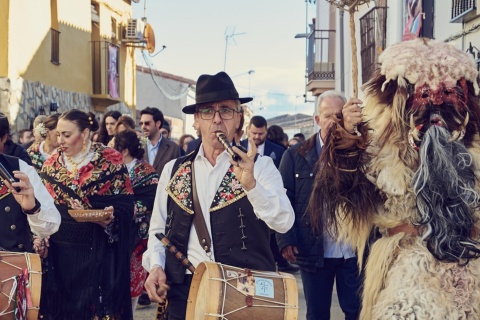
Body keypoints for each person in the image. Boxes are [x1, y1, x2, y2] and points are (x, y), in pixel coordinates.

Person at [308, 38, 480, 319]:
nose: (434, 103)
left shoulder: (471, 146)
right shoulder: (381, 150)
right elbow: (346, 198)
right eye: (423, 94)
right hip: (408, 264)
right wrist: (348, 141)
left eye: (447, 93)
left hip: (469, 264)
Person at [142, 71, 295, 320]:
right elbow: (158, 231)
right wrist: (156, 266)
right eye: (207, 112)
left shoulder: (262, 166)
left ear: (238, 119)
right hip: (186, 290)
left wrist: (252, 186)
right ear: (196, 121)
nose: (216, 120)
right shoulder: (174, 170)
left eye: (225, 110)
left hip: (246, 291)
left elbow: (284, 221)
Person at [39, 109, 134, 320]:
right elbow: (43, 209)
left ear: (84, 134)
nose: (60, 140)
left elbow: (127, 204)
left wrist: (110, 216)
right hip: (62, 253)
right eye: (58, 134)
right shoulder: (51, 165)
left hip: (98, 250)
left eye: (66, 134)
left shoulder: (111, 160)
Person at [277, 91, 361, 320]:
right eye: (327, 116)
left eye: (339, 115)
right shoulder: (295, 155)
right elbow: (283, 201)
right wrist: (286, 239)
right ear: (317, 120)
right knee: (317, 314)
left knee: (357, 310)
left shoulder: (359, 150)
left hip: (352, 250)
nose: (334, 121)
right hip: (313, 249)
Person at [240, 116, 295, 272]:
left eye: (261, 134)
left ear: (266, 131)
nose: (257, 137)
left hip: (271, 199)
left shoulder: (278, 150)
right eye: (254, 133)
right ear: (247, 131)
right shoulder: (239, 148)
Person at [0, 113, 60, 253]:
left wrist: (32, 209)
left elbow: (51, 225)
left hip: (12, 267)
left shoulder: (20, 169)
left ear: (3, 139)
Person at [113, 130, 159, 312]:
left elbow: (152, 199)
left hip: (137, 234)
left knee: (133, 281)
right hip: (112, 232)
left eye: (113, 146)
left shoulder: (146, 170)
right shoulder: (110, 168)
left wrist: (130, 209)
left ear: (123, 150)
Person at [140, 107, 181, 176]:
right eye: (141, 123)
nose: (143, 127)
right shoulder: (138, 145)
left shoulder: (173, 148)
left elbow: (176, 175)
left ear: (158, 123)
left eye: (147, 123)